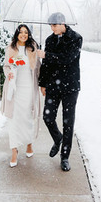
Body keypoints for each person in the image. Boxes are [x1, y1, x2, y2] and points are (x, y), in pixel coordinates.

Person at [37, 12, 82, 172]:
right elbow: (46, 65)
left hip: (70, 87)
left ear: (62, 23)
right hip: (52, 86)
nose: (52, 28)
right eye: (50, 25)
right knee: (47, 117)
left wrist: (47, 55)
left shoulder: (76, 38)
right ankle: (58, 138)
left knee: (68, 122)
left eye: (54, 25)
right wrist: (42, 83)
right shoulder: (49, 40)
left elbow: (67, 59)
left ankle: (64, 157)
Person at [1, 24, 41, 167]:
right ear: (17, 34)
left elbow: (38, 68)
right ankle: (14, 150)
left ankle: (29, 143)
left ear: (28, 34)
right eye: (21, 32)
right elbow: (6, 66)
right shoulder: (11, 48)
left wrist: (42, 85)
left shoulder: (32, 48)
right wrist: (10, 73)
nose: (23, 34)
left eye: (26, 32)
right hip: (15, 89)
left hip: (29, 87)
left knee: (28, 118)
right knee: (14, 120)